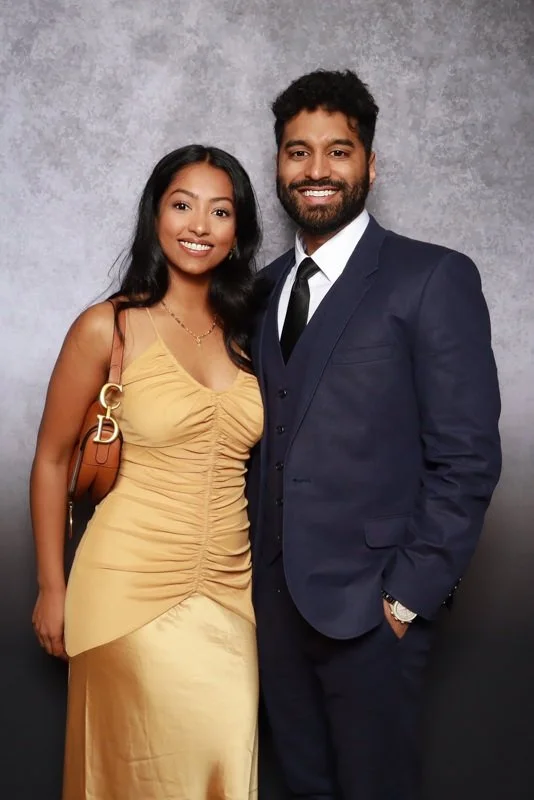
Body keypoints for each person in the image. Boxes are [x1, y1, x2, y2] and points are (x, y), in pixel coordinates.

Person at [247, 69, 502, 800]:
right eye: (298, 153)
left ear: (370, 164)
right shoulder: (259, 290)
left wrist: (403, 599)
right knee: (302, 787)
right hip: (270, 609)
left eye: (338, 151)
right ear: (279, 166)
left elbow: (467, 457)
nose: (317, 170)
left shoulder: (432, 277)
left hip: (372, 612)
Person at [30, 144, 263, 799]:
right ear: (154, 215)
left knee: (217, 774)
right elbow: (51, 460)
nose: (199, 224)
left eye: (220, 211)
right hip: (123, 592)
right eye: (182, 204)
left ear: (238, 230)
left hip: (230, 599)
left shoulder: (249, 331)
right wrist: (53, 587)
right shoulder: (110, 327)